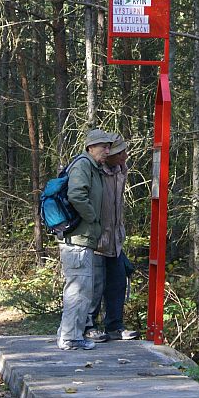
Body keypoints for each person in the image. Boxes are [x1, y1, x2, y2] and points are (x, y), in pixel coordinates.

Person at [56, 129, 114, 351]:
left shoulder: (93, 168)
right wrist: (93, 220)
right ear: (90, 147)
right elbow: (76, 195)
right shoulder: (83, 165)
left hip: (82, 239)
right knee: (78, 289)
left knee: (81, 288)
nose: (106, 150)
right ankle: (70, 338)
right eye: (102, 146)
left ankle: (69, 333)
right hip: (77, 239)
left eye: (108, 146)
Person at [85, 134, 140, 342]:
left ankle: (115, 327)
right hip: (97, 240)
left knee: (117, 283)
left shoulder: (120, 170)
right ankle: (89, 326)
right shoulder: (95, 172)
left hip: (115, 239)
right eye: (121, 153)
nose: (125, 156)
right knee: (94, 286)